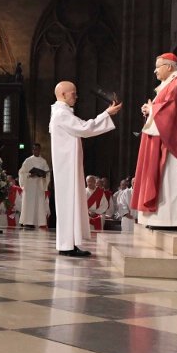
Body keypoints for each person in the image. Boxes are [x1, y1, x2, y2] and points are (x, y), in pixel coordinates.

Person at [49, 81, 122, 257]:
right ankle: (66, 245)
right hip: (66, 167)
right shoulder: (60, 113)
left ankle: (70, 243)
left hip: (68, 165)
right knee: (68, 204)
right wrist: (106, 114)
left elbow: (81, 126)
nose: (76, 96)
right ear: (63, 94)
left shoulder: (63, 112)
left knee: (72, 203)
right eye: (73, 93)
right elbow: (84, 128)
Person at [132, 52, 177, 229]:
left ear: (169, 67)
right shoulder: (167, 84)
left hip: (173, 144)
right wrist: (150, 110)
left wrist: (153, 109)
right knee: (159, 179)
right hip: (161, 139)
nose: (155, 71)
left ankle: (167, 220)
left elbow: (173, 110)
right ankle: (155, 219)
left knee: (168, 180)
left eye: (158, 67)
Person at [18, 143, 51, 229]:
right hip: (29, 185)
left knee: (38, 203)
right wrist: (29, 175)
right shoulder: (28, 160)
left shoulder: (43, 161)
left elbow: (47, 174)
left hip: (39, 185)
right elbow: (21, 173)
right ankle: (28, 222)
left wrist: (43, 175)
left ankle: (38, 221)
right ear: (32, 150)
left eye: (38, 149)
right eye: (34, 149)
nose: (36, 151)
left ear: (40, 150)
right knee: (29, 203)